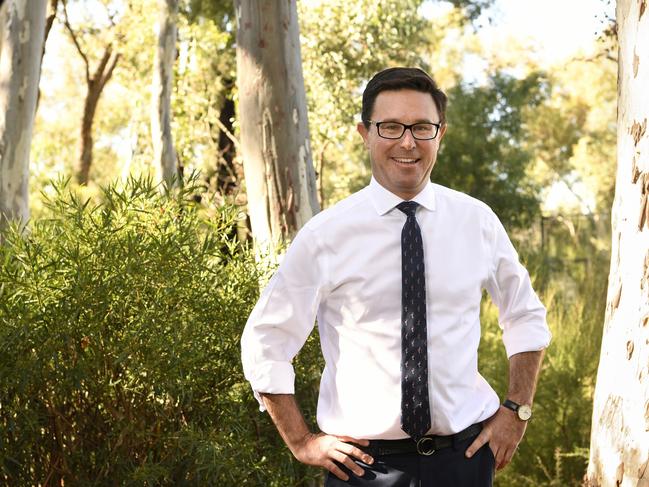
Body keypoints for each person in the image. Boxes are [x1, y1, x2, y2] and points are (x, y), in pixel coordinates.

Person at [241, 67, 551, 486]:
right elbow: (266, 340)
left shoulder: (477, 222)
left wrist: (517, 411)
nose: (407, 142)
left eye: (422, 127)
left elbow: (526, 317)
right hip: (364, 469)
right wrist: (302, 441)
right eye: (390, 127)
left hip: (465, 461)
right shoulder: (325, 236)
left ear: (440, 133)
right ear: (365, 133)